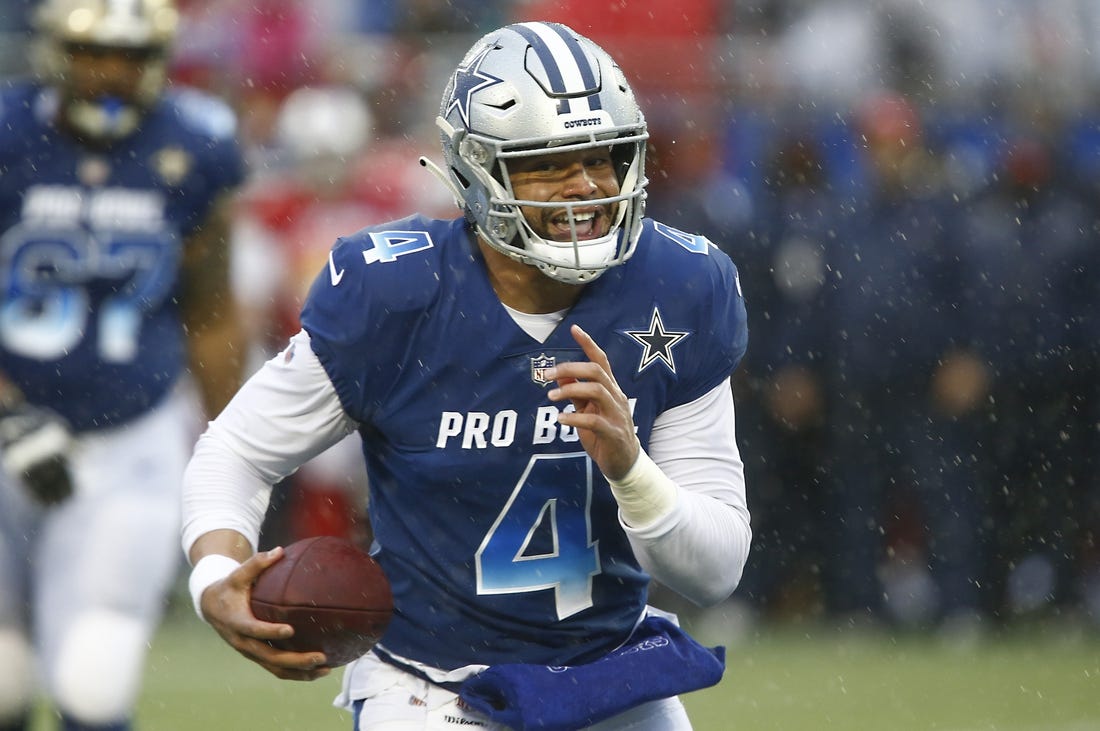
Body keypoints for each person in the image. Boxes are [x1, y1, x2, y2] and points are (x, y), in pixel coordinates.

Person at [182, 21, 750, 730]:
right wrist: (215, 577)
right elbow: (236, 450)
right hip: (434, 683)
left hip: (610, 670)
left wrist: (632, 470)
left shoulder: (679, 286)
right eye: (548, 163)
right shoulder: (395, 293)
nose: (586, 188)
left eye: (601, 157)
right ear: (477, 172)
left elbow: (715, 569)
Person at [0, 0, 246, 728]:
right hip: (6, 426)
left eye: (131, 56)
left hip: (128, 438)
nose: (111, 72)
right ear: (56, 52)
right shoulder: (9, 134)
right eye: (93, 52)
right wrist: (9, 410)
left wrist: (236, 446)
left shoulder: (195, 147)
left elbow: (212, 313)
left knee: (93, 682)